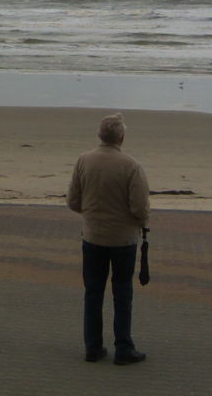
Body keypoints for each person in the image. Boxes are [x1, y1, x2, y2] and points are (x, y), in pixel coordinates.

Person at [67, 112, 150, 365]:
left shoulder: (83, 161)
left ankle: (93, 346)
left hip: (92, 237)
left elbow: (73, 201)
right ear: (121, 138)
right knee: (122, 293)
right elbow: (139, 208)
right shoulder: (131, 166)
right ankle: (123, 347)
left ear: (100, 136)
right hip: (123, 240)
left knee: (93, 292)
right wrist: (139, 222)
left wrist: (93, 215)